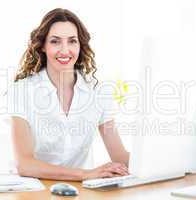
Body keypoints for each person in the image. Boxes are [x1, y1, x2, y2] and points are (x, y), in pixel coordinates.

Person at [8, 8, 129, 181]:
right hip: (33, 191)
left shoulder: (98, 92)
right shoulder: (21, 91)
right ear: (43, 46)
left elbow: (120, 156)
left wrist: (168, 167)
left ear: (80, 45)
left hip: (80, 193)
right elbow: (25, 164)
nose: (65, 50)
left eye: (72, 41)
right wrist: (86, 174)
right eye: (55, 41)